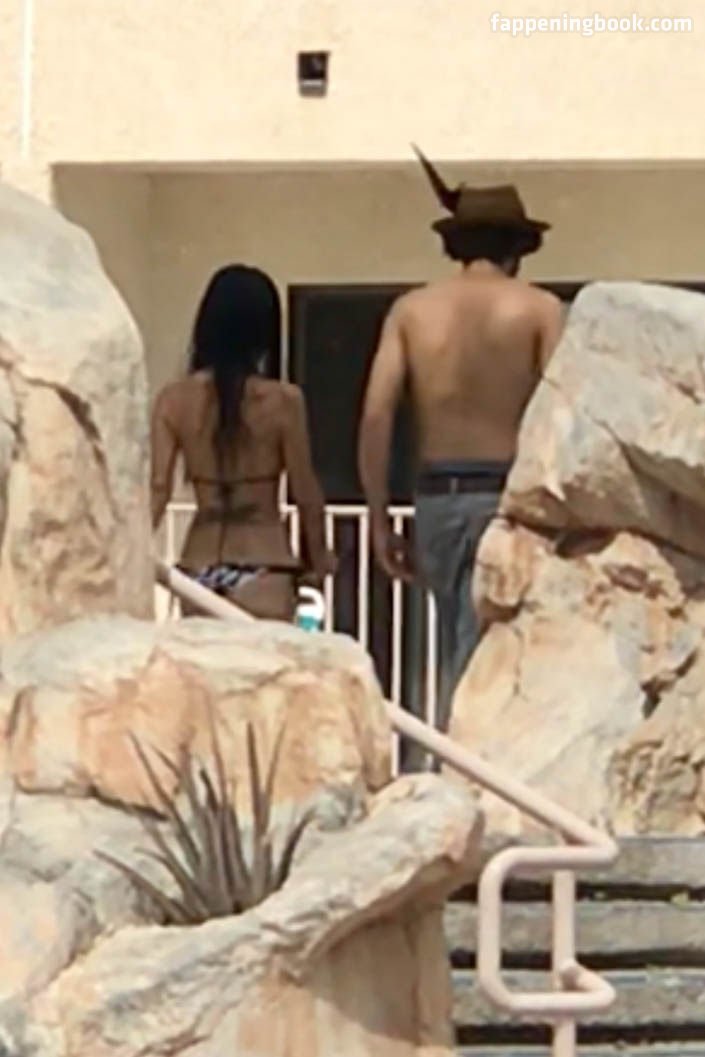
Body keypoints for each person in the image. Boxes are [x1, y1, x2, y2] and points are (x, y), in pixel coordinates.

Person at [358, 147, 563, 730]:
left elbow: (377, 417)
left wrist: (379, 516)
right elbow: (563, 415)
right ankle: (474, 766)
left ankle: (445, 754)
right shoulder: (540, 310)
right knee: (499, 653)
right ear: (518, 248)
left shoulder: (411, 312)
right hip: (511, 503)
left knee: (452, 637)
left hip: (437, 499)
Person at [151, 264, 334, 621]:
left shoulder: (173, 400)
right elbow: (306, 493)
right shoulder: (284, 402)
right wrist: (319, 559)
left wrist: (128, 555)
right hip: (265, 566)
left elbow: (158, 488)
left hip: (200, 569)